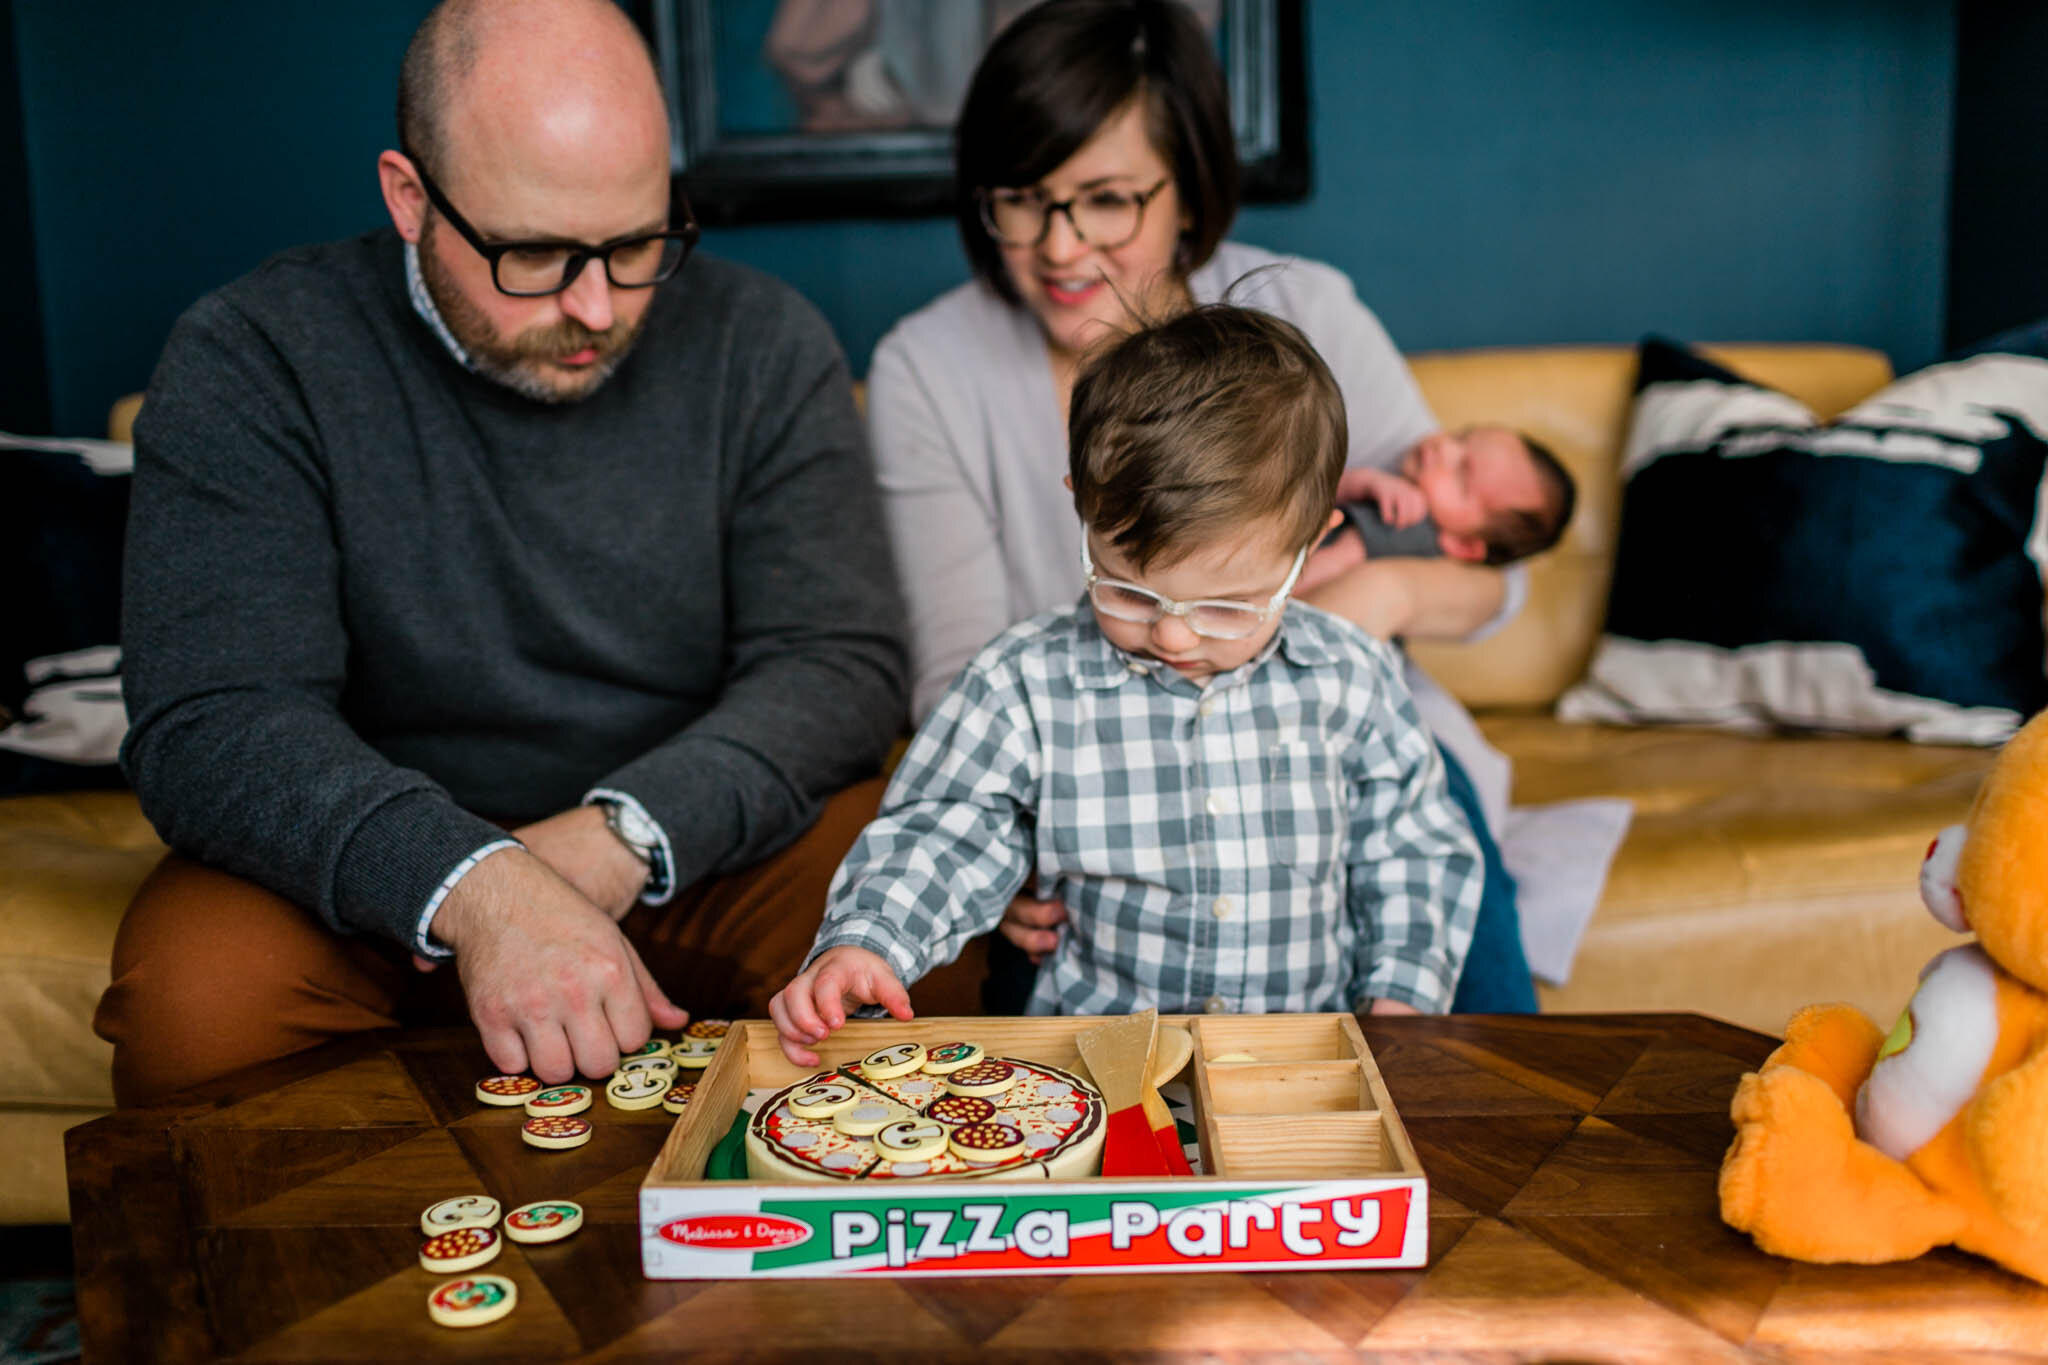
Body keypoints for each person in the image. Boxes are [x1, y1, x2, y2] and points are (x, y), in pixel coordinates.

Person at [93, 0, 954, 1108]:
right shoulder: (255, 354)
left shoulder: (762, 340)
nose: (595, 307)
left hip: (684, 838)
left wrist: (618, 838)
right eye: (536, 254)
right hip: (366, 866)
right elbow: (211, 716)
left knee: (901, 936)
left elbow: (835, 662)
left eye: (639, 242)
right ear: (410, 199)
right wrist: (476, 882)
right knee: (194, 1003)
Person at [865, 0, 1538, 1014]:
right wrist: (1002, 830)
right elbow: (960, 671)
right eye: (1021, 200)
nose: (1058, 247)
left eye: (1105, 200)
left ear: (1187, 189)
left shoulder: (1302, 311)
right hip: (1089, 775)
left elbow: (1489, 568)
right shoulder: (928, 365)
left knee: (1451, 1050)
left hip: (1324, 738)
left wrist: (1363, 602)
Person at [771, 305, 1481, 1061]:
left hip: (1301, 1062)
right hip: (1092, 1069)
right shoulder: (1024, 681)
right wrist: (869, 941)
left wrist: (1400, 995)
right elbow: (945, 826)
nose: (1173, 635)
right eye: (1131, 592)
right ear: (1082, 504)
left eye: (1227, 606)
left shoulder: (1354, 678)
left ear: (1311, 548)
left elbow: (1411, 849)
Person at [1299, 426, 1578, 592]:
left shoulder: (1413, 526)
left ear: (1462, 544)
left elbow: (1331, 565)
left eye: (1461, 476)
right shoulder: (1402, 495)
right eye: (1460, 437)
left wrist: (1262, 595)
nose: (1444, 448)